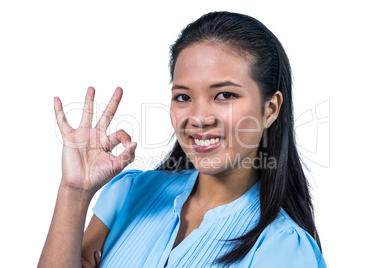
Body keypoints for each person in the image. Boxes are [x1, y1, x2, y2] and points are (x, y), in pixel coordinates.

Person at [38, 11, 326, 267]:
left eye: (225, 95)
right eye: (183, 97)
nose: (199, 118)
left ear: (270, 109)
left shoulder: (283, 248)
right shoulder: (131, 193)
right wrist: (74, 191)